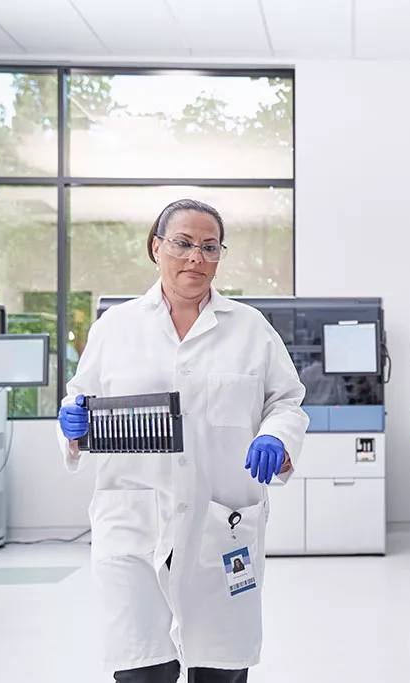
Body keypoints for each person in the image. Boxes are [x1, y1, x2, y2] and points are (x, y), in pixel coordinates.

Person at [56, 199, 309, 682]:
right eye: (183, 243)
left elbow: (287, 401)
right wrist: (72, 423)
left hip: (221, 523)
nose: (196, 257)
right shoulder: (116, 327)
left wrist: (276, 434)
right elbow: (81, 398)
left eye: (209, 247)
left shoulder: (250, 328)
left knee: (220, 667)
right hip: (133, 523)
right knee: (139, 667)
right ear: (157, 248)